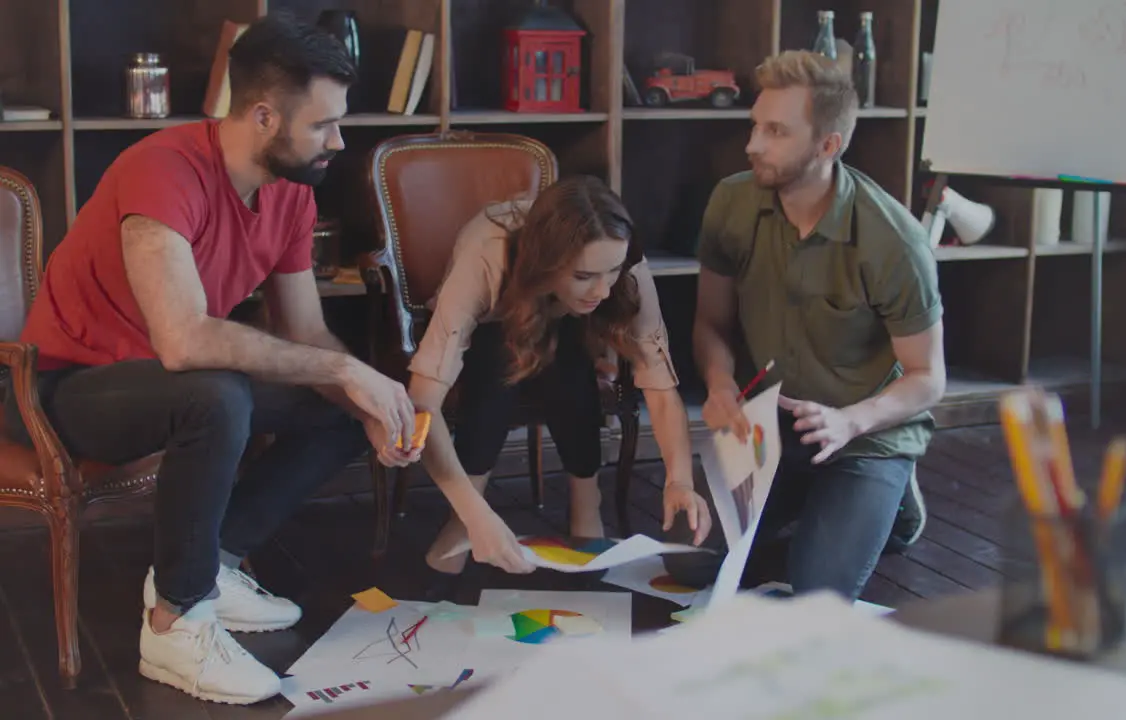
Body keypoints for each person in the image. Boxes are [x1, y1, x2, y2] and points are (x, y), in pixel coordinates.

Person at [1, 14, 421, 705]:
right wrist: (348, 373)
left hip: (166, 384)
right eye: (323, 125)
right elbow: (184, 341)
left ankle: (211, 567)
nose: (338, 141)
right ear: (262, 116)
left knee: (341, 406)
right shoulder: (161, 170)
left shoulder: (291, 191)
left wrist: (367, 393)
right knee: (217, 393)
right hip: (58, 389)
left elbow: (310, 336)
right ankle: (172, 625)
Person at [666, 50, 945, 601]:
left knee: (816, 589)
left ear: (827, 146)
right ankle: (806, 496)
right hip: (766, 424)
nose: (753, 145)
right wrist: (720, 386)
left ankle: (894, 500)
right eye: (755, 125)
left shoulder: (895, 241)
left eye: (775, 131)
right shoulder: (730, 201)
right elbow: (711, 322)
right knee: (686, 561)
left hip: (863, 435)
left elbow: (927, 376)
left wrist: (851, 422)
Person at [406, 175, 713, 576]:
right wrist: (476, 515)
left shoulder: (623, 266)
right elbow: (423, 402)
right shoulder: (487, 256)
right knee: (501, 365)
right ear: (546, 263)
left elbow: (659, 383)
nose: (603, 290)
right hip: (495, 322)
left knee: (569, 365)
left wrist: (679, 480)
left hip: (570, 329)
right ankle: (462, 519)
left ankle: (587, 504)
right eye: (584, 276)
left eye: (613, 272)